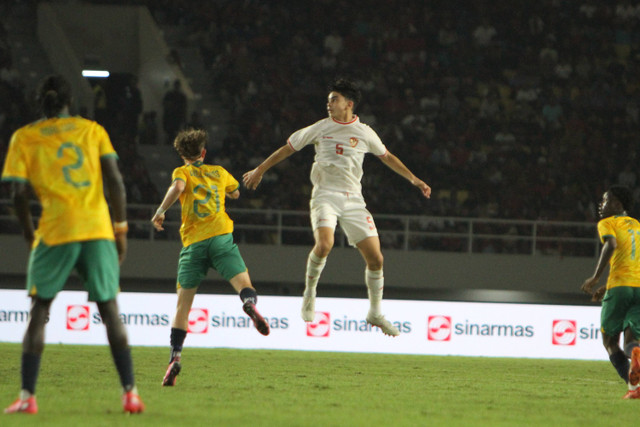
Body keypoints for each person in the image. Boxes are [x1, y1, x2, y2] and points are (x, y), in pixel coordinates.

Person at [1, 75, 144, 414]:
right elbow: (115, 182)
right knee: (110, 310)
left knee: (39, 312)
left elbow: (16, 194)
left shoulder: (24, 137)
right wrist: (120, 231)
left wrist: (27, 232)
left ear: (41, 103)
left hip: (55, 230)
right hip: (96, 228)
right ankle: (131, 393)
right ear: (70, 103)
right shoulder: (92, 130)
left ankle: (27, 398)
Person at [243, 78, 431, 336]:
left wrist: (414, 179)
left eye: (334, 99)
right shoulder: (321, 128)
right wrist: (260, 169)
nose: (329, 104)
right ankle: (309, 293)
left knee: (376, 259)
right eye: (328, 100)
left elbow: (387, 157)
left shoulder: (365, 132)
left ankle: (375, 313)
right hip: (325, 195)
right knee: (325, 244)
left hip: (354, 199)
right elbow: (288, 149)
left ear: (349, 104)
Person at [151, 128, 270, 387]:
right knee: (244, 284)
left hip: (194, 244)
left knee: (183, 306)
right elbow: (237, 192)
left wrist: (161, 211)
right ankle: (248, 304)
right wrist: (225, 191)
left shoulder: (181, 172)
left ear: (182, 154)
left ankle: (175, 356)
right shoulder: (218, 172)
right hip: (220, 238)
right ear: (203, 152)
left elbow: (178, 187)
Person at [581, 185, 640, 399]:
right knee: (633, 338)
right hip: (638, 287)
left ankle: (634, 387)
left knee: (609, 341)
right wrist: (607, 286)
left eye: (605, 200)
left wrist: (596, 277)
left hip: (621, 285)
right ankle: (635, 358)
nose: (601, 205)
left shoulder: (608, 222)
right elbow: (632, 260)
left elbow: (611, 245)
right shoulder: (637, 225)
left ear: (618, 204)